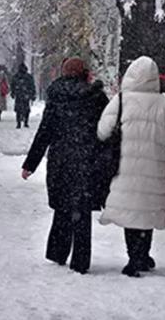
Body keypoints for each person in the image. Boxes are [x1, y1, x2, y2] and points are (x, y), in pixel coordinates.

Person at [97, 56, 165, 278]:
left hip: (125, 167)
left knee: (131, 214)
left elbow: (102, 131)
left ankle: (133, 257)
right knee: (147, 213)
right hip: (153, 169)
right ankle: (143, 256)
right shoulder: (163, 104)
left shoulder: (120, 101)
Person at [21, 57, 109, 274]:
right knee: (82, 212)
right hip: (87, 161)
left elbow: (45, 132)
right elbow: (107, 130)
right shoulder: (96, 97)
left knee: (62, 208)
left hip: (61, 161)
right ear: (84, 73)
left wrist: (30, 164)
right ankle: (80, 261)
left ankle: (58, 252)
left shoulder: (57, 96)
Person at [10, 63, 36, 128]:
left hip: (19, 95)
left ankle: (19, 123)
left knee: (18, 110)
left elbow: (12, 86)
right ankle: (26, 122)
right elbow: (32, 86)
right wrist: (33, 94)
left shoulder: (16, 76)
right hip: (26, 95)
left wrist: (13, 93)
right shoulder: (29, 77)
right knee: (26, 109)